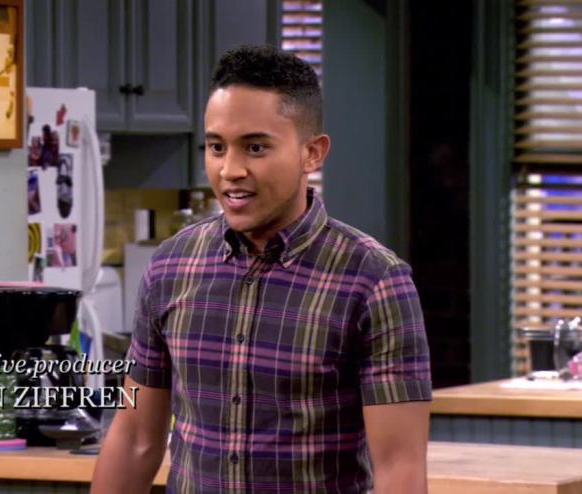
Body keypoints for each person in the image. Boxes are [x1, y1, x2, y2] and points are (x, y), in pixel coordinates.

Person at [92, 45, 432, 494]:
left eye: (255, 147)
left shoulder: (374, 281)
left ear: (312, 153)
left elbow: (399, 469)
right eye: (217, 147)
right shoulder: (171, 266)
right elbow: (135, 439)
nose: (230, 170)